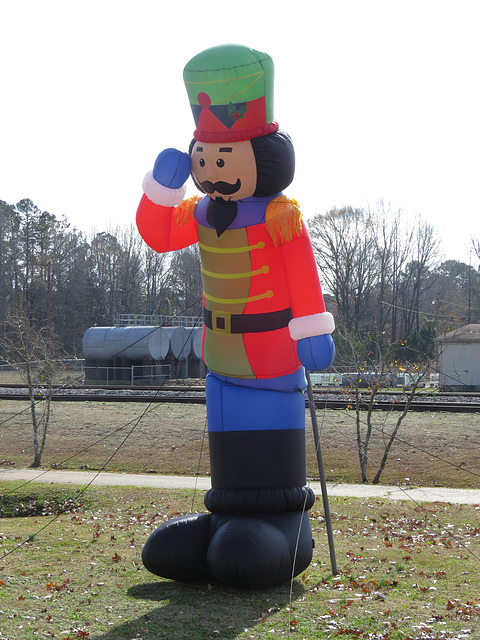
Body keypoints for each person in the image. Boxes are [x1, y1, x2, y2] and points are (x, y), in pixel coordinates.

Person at [136, 44, 335, 588]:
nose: (210, 165)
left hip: (271, 355)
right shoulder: (199, 211)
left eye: (223, 155)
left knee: (265, 439)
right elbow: (157, 236)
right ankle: (225, 514)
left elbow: (303, 277)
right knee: (227, 439)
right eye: (204, 154)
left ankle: (281, 523)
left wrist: (313, 331)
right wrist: (162, 186)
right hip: (220, 355)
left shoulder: (280, 216)